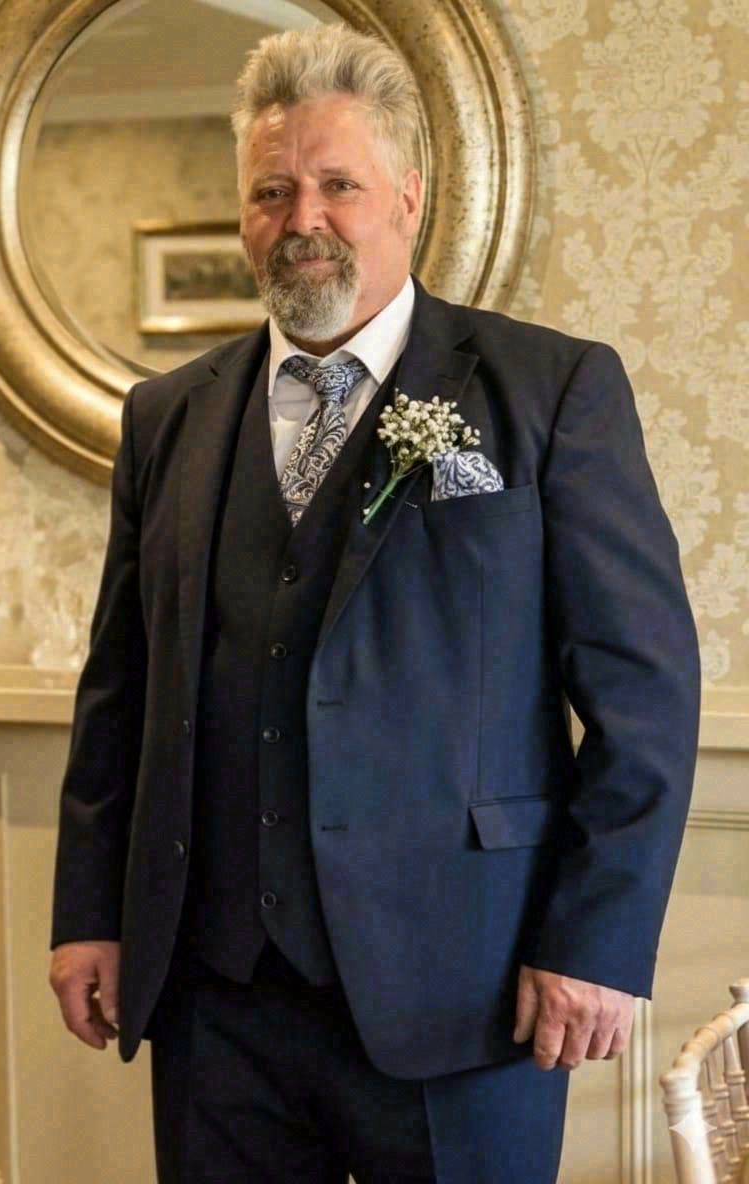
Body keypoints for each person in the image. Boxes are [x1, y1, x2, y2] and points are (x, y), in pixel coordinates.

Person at [48, 23, 700, 1184]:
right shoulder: (168, 416)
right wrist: (89, 912)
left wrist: (595, 940)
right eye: (272, 190)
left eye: (338, 184)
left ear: (408, 194)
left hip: (470, 990)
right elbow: (120, 691)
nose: (303, 217)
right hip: (217, 997)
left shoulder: (549, 388)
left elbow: (645, 695)